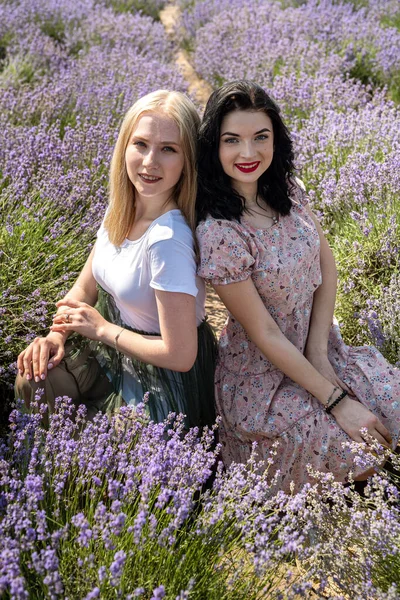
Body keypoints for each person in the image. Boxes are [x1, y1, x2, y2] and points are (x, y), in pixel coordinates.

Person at [195, 80, 400, 493]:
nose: (248, 153)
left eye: (260, 137)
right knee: (359, 450)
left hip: (321, 349)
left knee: (392, 413)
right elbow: (266, 333)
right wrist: (336, 401)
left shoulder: (287, 191)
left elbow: (327, 266)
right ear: (213, 147)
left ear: (276, 139)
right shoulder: (220, 231)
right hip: (263, 379)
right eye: (231, 140)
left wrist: (320, 352)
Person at [15, 90, 217, 429]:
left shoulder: (168, 240)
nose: (150, 161)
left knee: (99, 456)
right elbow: (84, 287)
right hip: (112, 354)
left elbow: (180, 355)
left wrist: (103, 330)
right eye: (140, 144)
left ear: (187, 161)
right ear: (124, 146)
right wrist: (55, 336)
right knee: (32, 380)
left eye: (168, 149)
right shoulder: (124, 207)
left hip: (161, 381)